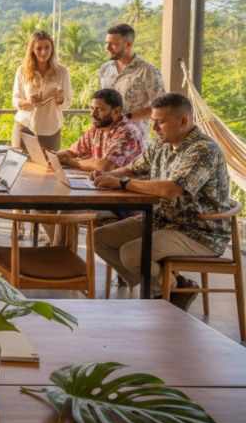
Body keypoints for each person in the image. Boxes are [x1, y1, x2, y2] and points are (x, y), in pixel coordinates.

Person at [91, 93, 233, 311]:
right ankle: (172, 288)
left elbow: (170, 190)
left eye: (160, 122)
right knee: (99, 239)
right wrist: (106, 176)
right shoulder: (162, 144)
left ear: (183, 121)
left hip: (198, 231)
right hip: (161, 220)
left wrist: (122, 183)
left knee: (132, 253)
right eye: (154, 121)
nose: (154, 128)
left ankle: (166, 299)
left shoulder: (203, 150)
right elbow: (132, 169)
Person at [36, 88, 145, 246]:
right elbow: (73, 151)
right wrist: (51, 156)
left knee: (67, 209)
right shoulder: (98, 128)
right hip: (98, 192)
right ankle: (61, 253)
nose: (93, 114)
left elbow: (104, 165)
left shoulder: (127, 132)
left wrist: (68, 161)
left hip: (121, 202)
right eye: (92, 108)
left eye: (99, 109)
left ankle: (60, 258)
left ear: (116, 112)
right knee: (42, 206)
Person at [99, 23, 165, 139]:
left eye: (113, 44)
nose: (107, 48)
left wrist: (126, 117)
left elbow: (161, 107)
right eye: (107, 43)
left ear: (128, 44)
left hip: (135, 140)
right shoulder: (105, 69)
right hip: (107, 138)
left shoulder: (148, 71)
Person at [11, 30, 71, 153]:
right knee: (19, 169)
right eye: (39, 48)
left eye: (47, 47)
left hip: (51, 130)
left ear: (52, 49)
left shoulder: (62, 72)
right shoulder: (22, 71)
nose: (43, 52)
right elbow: (15, 100)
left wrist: (60, 100)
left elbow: (68, 101)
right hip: (24, 126)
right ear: (32, 50)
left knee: (48, 170)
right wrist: (29, 102)